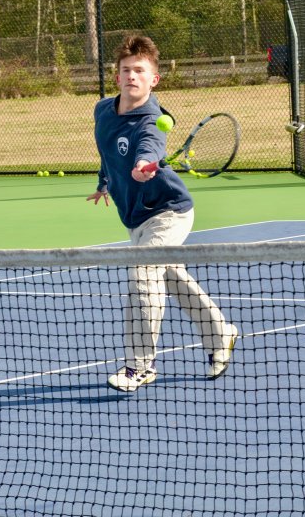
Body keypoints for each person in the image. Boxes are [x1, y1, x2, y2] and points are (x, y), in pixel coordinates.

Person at [87, 35, 237, 392]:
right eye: (126, 70)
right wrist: (105, 181)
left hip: (168, 212)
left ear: (154, 79)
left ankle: (139, 365)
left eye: (140, 71)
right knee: (170, 279)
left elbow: (147, 147)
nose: (131, 76)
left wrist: (142, 165)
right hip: (136, 216)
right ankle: (221, 334)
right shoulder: (103, 110)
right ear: (117, 75)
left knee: (143, 273)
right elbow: (108, 151)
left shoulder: (153, 120)